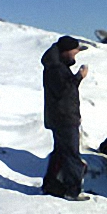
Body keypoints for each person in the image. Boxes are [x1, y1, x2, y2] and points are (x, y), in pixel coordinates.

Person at [41, 35, 90, 201]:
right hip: (64, 118)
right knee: (71, 154)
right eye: (75, 51)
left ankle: (50, 185)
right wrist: (79, 77)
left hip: (61, 116)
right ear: (67, 51)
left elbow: (65, 88)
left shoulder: (57, 65)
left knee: (61, 153)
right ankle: (72, 190)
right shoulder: (55, 68)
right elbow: (64, 91)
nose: (76, 54)